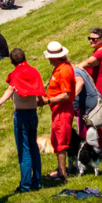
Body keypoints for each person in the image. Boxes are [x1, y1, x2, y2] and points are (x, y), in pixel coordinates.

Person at [0, 49, 45, 192]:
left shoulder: (17, 74)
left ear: (11, 61)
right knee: (33, 148)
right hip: (33, 114)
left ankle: (25, 185)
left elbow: (10, 90)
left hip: (22, 115)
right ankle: (37, 181)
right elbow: (38, 94)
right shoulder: (33, 71)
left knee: (24, 150)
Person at [39, 41, 75, 181]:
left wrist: (47, 101)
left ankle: (62, 174)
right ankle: (60, 169)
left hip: (63, 110)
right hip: (58, 110)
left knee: (61, 142)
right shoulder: (59, 68)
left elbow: (66, 94)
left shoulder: (64, 70)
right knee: (56, 140)